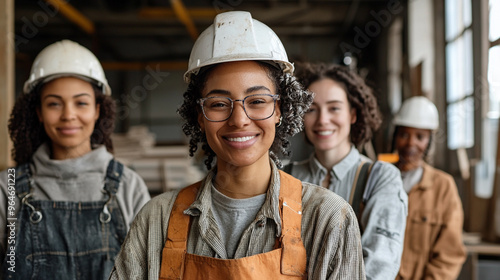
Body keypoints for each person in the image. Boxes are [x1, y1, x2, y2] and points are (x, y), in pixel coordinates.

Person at [110, 11, 365, 279]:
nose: (239, 120)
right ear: (199, 116)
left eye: (257, 101)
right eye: (219, 104)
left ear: (279, 110)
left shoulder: (326, 219)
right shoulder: (157, 221)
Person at [0, 40, 151, 279]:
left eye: (81, 103)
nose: (68, 115)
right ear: (38, 111)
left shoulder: (128, 186)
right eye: (54, 104)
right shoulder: (7, 188)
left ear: (97, 110)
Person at [285, 62, 407, 280]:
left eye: (334, 108)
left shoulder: (380, 178)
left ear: (353, 114)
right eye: (312, 109)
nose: (323, 120)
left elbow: (379, 266)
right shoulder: (286, 176)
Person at [393, 96, 466, 280]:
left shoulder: (443, 187)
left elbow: (449, 255)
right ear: (395, 137)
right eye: (404, 135)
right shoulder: (378, 179)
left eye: (420, 137)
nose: (411, 143)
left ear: (429, 141)